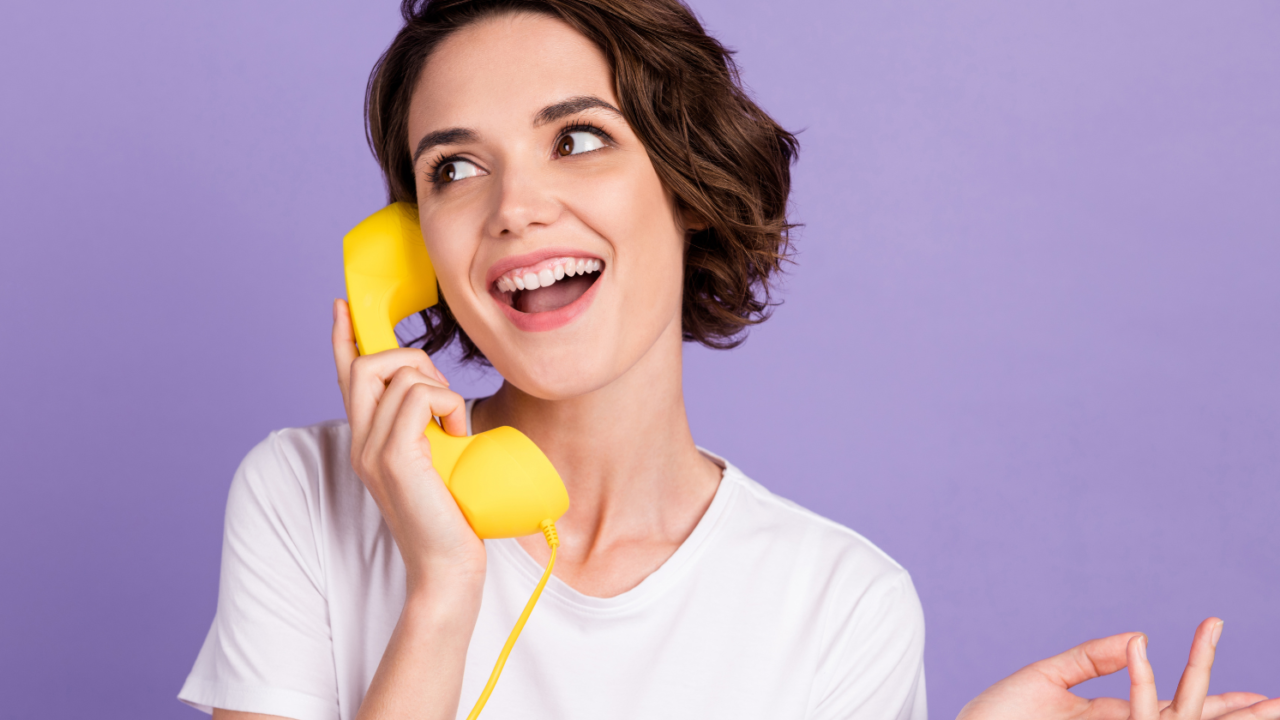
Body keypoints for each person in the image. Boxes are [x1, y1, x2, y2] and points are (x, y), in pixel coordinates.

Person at [178, 1, 1279, 719]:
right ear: (412, 251)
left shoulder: (835, 604)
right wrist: (443, 589)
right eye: (455, 167)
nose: (514, 208)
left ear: (687, 188)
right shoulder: (303, 497)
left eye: (577, 138)